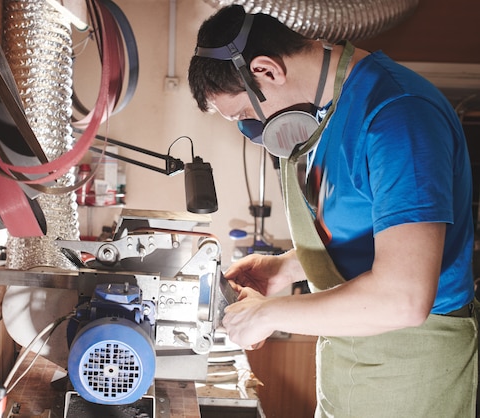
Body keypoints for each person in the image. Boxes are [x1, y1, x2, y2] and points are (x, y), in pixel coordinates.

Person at [188, 5, 478, 417]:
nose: (253, 132)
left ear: (267, 71)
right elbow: (369, 236)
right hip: (350, 359)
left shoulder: (398, 115)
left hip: (412, 366)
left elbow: (404, 298)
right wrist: (288, 267)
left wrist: (269, 315)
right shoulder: (321, 116)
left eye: (248, 116)